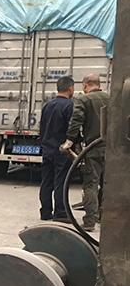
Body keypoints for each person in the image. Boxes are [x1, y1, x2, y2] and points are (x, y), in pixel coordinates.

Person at [60, 74, 109, 232]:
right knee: (108, 184)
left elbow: (76, 121)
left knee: (91, 185)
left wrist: (70, 140)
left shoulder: (83, 100)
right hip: (111, 149)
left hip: (93, 148)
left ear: (85, 85)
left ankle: (89, 221)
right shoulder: (111, 98)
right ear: (99, 85)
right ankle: (105, 217)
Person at [39, 76, 75, 221]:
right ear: (70, 88)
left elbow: (42, 127)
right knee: (60, 181)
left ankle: (45, 211)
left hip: (47, 148)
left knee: (46, 182)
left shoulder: (47, 105)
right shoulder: (69, 106)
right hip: (62, 150)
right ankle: (60, 212)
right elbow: (71, 129)